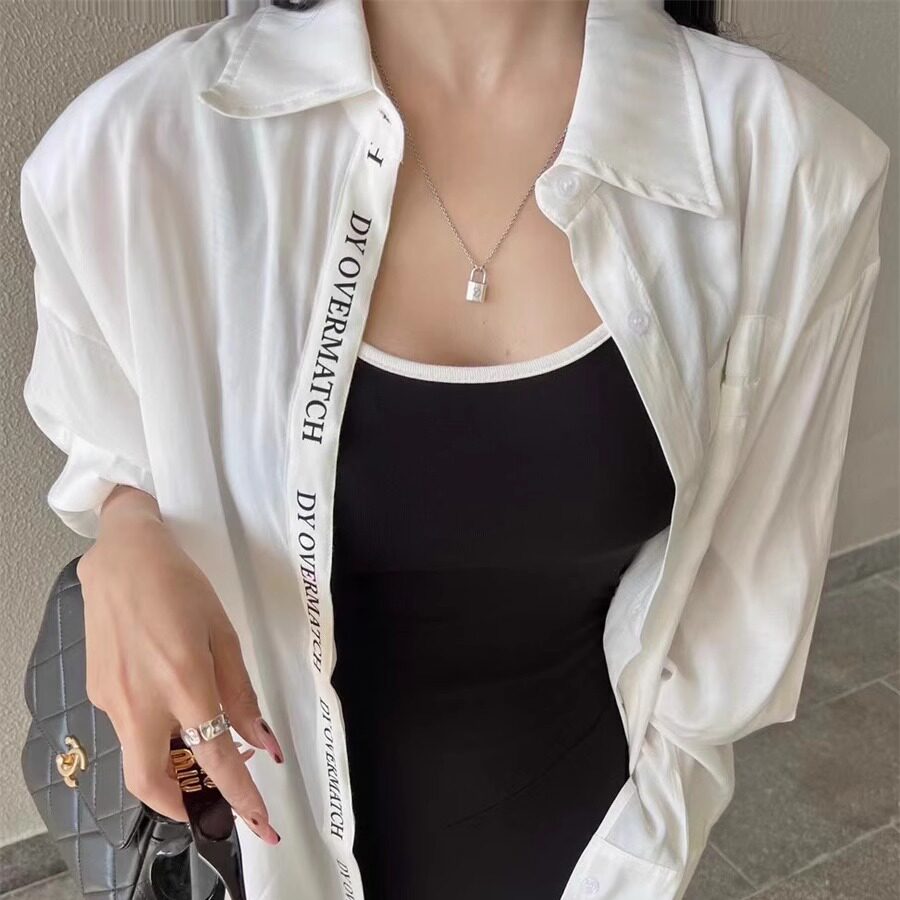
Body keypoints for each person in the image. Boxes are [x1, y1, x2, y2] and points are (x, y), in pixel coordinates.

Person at [19, 0, 890, 898]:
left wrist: (638, 860)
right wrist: (125, 529)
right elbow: (111, 439)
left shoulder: (790, 171)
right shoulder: (137, 148)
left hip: (590, 851)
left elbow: (732, 630)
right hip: (260, 855)